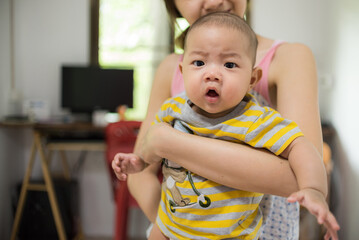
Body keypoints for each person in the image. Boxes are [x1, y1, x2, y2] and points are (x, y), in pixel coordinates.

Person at [113, 1, 339, 239]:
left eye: (230, 65)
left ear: (252, 78)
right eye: (199, 63)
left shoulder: (286, 60)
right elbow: (141, 170)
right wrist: (172, 228)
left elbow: (298, 174)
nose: (214, 1)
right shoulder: (171, 78)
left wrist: (166, 142)